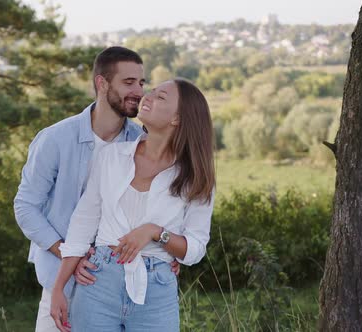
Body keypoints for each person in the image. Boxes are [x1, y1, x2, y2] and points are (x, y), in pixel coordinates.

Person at [14, 46, 178, 332]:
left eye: (141, 82)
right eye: (128, 83)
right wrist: (67, 254)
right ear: (102, 84)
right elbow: (26, 207)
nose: (139, 92)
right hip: (61, 283)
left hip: (122, 288)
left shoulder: (143, 142)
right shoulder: (55, 139)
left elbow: (159, 206)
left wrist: (168, 252)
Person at [50, 78, 216, 331]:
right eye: (152, 91)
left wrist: (155, 232)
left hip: (157, 292)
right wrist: (59, 288)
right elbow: (83, 223)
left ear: (177, 119)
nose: (147, 97)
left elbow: (194, 249)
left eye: (161, 97)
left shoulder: (196, 177)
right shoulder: (111, 157)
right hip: (98, 282)